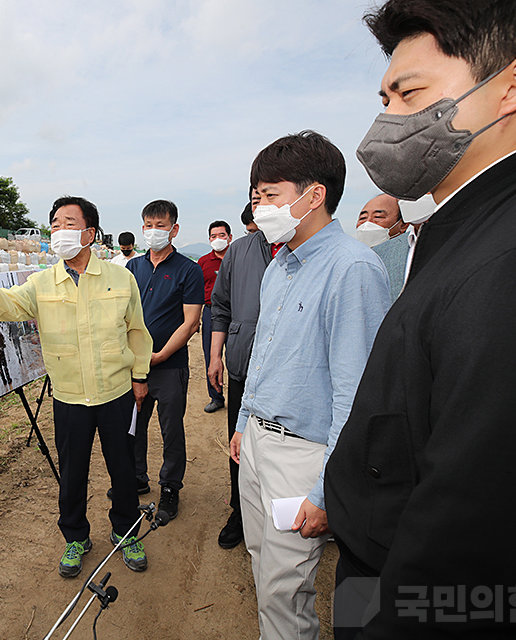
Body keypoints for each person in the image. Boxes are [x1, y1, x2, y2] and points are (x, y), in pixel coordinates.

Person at [327, 1, 516, 636]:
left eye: (409, 94)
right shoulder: (471, 219)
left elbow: (479, 550)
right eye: (384, 97)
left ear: (515, 86)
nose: (385, 122)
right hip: (374, 562)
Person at [228, 131, 391, 640]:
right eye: (256, 198)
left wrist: (325, 489)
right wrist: (243, 423)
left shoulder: (353, 269)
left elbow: (357, 393)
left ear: (313, 194)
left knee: (286, 588)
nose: (260, 209)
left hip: (302, 456)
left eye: (270, 196)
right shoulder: (279, 264)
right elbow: (265, 356)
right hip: (257, 442)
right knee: (263, 567)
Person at [0, 196, 153, 577]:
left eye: (68, 223)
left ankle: (126, 530)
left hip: (116, 394)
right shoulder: (42, 283)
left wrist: (139, 377)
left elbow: (137, 332)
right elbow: (8, 307)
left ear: (90, 233)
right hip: (69, 398)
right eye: (55, 225)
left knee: (123, 470)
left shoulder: (120, 278)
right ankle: (75, 536)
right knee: (72, 471)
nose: (59, 231)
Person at [126, 200, 204, 520]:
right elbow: (125, 315)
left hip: (169, 367)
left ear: (174, 229)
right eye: (148, 225)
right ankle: (136, 478)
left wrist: (160, 355)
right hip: (135, 366)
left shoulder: (188, 270)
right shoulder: (133, 268)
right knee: (134, 426)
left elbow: (190, 322)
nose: (153, 231)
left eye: (160, 225)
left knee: (171, 429)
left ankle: (170, 486)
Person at [207, 202, 273, 550]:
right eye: (257, 196)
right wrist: (216, 355)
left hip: (290, 374)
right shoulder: (240, 250)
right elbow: (222, 306)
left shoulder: (309, 248)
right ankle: (240, 510)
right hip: (243, 367)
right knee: (240, 443)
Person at [197, 220, 232, 413]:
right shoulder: (203, 262)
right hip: (211, 311)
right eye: (213, 236)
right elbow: (198, 289)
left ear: (229, 237)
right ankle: (216, 396)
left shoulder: (237, 258)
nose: (217, 239)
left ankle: (241, 396)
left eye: (221, 235)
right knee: (211, 355)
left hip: (235, 312)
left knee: (236, 355)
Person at [355, 193, 408, 300]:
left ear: (403, 225)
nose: (368, 223)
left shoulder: (409, 260)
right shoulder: (352, 260)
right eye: (363, 218)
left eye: (378, 217)